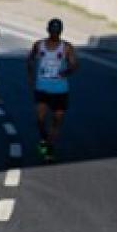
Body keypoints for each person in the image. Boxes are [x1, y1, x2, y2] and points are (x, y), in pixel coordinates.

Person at [27, 18, 78, 162]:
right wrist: (31, 76)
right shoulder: (39, 45)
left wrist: (67, 71)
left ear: (60, 31)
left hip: (60, 89)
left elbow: (74, 64)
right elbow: (30, 59)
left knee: (57, 121)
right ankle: (45, 142)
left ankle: (48, 148)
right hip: (42, 87)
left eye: (57, 31)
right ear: (48, 30)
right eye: (53, 30)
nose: (55, 34)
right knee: (40, 119)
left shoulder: (66, 47)